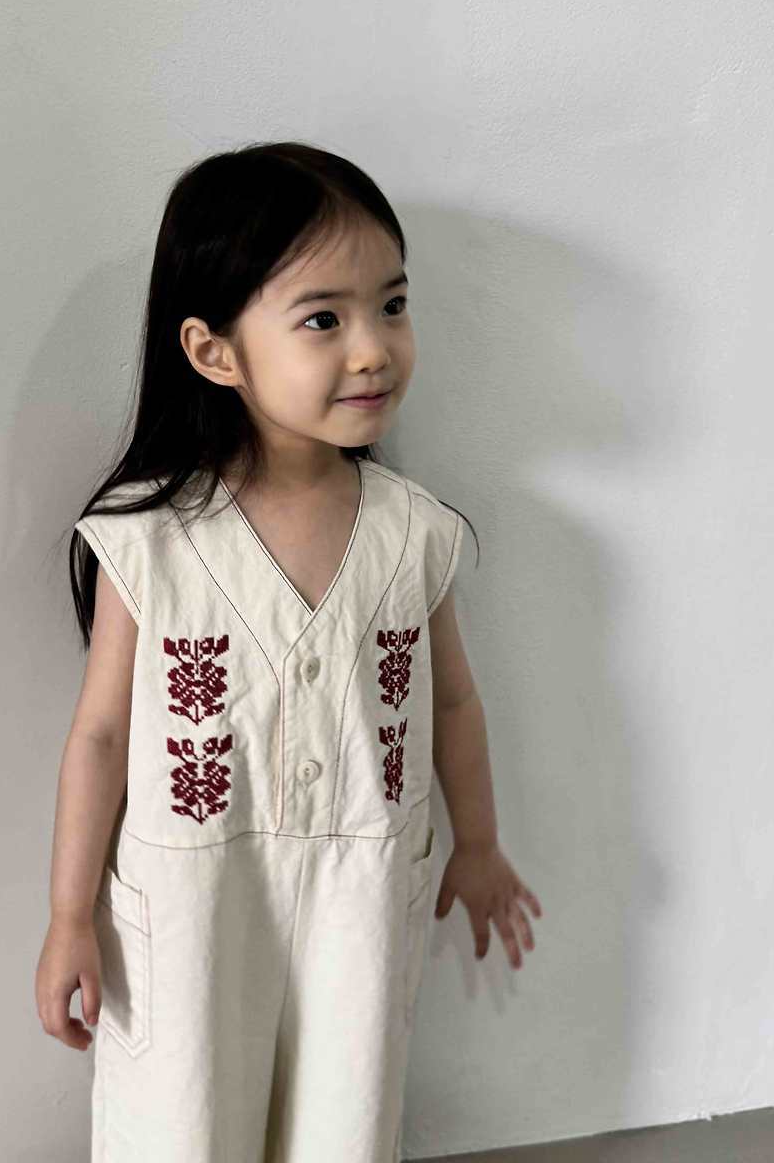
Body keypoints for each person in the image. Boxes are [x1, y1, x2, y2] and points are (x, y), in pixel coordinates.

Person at [35, 141, 542, 1162]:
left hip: (362, 893)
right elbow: (100, 736)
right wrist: (69, 913)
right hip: (193, 901)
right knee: (180, 1120)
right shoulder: (151, 539)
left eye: (391, 306)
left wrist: (479, 843)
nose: (373, 349)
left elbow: (450, 703)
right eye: (323, 319)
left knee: (343, 1120)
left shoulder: (413, 532)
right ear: (214, 351)